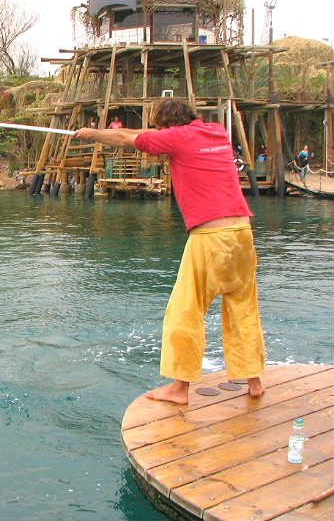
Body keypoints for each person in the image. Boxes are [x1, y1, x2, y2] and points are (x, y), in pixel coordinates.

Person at [73, 98, 265, 405]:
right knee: (242, 307)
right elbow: (143, 134)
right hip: (242, 232)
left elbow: (125, 138)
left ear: (167, 126)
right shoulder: (216, 132)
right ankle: (253, 380)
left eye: (159, 127)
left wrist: (92, 134)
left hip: (210, 234)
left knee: (185, 311)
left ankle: (180, 388)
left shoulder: (177, 138)